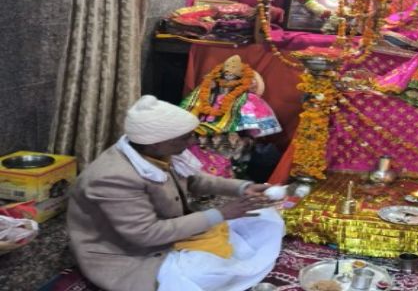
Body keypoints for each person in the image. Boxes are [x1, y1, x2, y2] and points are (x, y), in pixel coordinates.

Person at [67, 95, 285, 291]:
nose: (193, 142)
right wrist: (221, 214)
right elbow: (146, 235)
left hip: (172, 231)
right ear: (157, 142)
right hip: (131, 254)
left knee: (267, 219)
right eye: (186, 137)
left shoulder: (154, 153)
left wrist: (242, 188)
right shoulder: (112, 178)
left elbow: (195, 180)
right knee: (210, 273)